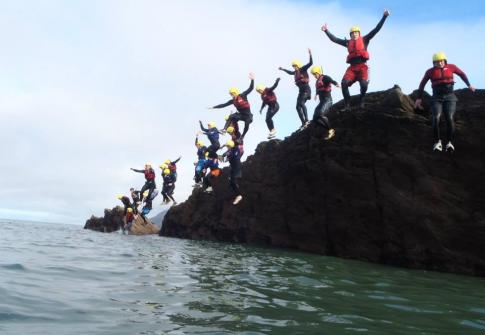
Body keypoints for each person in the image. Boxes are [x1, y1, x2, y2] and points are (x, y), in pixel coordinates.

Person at [321, 9, 390, 111]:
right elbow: (334, 39)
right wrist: (326, 31)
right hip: (352, 68)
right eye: (352, 33)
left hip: (362, 66)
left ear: (359, 33)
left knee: (363, 84)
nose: (354, 34)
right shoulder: (348, 43)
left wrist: (384, 17)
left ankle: (362, 100)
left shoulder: (365, 39)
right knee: (344, 83)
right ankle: (347, 105)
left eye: (356, 33)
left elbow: (376, 29)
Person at [414, 52, 475, 152]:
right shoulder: (430, 71)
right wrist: (419, 98)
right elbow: (422, 84)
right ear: (434, 63)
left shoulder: (452, 67)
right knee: (436, 117)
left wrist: (469, 85)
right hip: (436, 98)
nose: (440, 63)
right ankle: (437, 142)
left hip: (450, 97)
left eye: (441, 61)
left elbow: (462, 74)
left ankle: (449, 143)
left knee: (449, 118)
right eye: (437, 62)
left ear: (445, 61)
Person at [209, 73, 255, 139]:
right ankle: (224, 130)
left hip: (248, 116)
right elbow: (223, 105)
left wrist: (252, 80)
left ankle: (242, 136)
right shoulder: (232, 101)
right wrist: (213, 107)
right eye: (231, 94)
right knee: (231, 116)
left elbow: (251, 88)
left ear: (236, 93)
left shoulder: (242, 95)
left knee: (247, 124)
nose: (232, 95)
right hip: (241, 115)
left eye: (233, 93)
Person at [279, 48, 313, 129]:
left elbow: (311, 63)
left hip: (306, 89)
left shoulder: (303, 69)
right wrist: (283, 69)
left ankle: (307, 120)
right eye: (293, 66)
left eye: (295, 66)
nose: (294, 68)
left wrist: (310, 54)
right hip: (301, 91)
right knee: (297, 107)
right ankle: (303, 123)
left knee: (301, 103)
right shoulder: (295, 72)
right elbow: (290, 72)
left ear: (298, 65)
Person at [311, 66, 339, 140]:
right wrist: (316, 95)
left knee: (320, 114)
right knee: (315, 118)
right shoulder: (317, 81)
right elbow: (319, 89)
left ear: (318, 72)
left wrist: (336, 83)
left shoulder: (324, 77)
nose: (314, 76)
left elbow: (331, 80)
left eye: (315, 74)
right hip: (322, 101)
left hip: (327, 100)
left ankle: (331, 130)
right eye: (313, 74)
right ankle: (328, 129)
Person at [222, 140, 244, 205]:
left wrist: (226, 157)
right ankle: (235, 192)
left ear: (230, 146)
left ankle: (239, 195)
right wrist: (223, 156)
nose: (227, 148)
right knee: (231, 182)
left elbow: (230, 155)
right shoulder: (231, 150)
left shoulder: (234, 150)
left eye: (227, 146)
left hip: (236, 167)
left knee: (233, 181)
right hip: (233, 167)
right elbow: (225, 154)